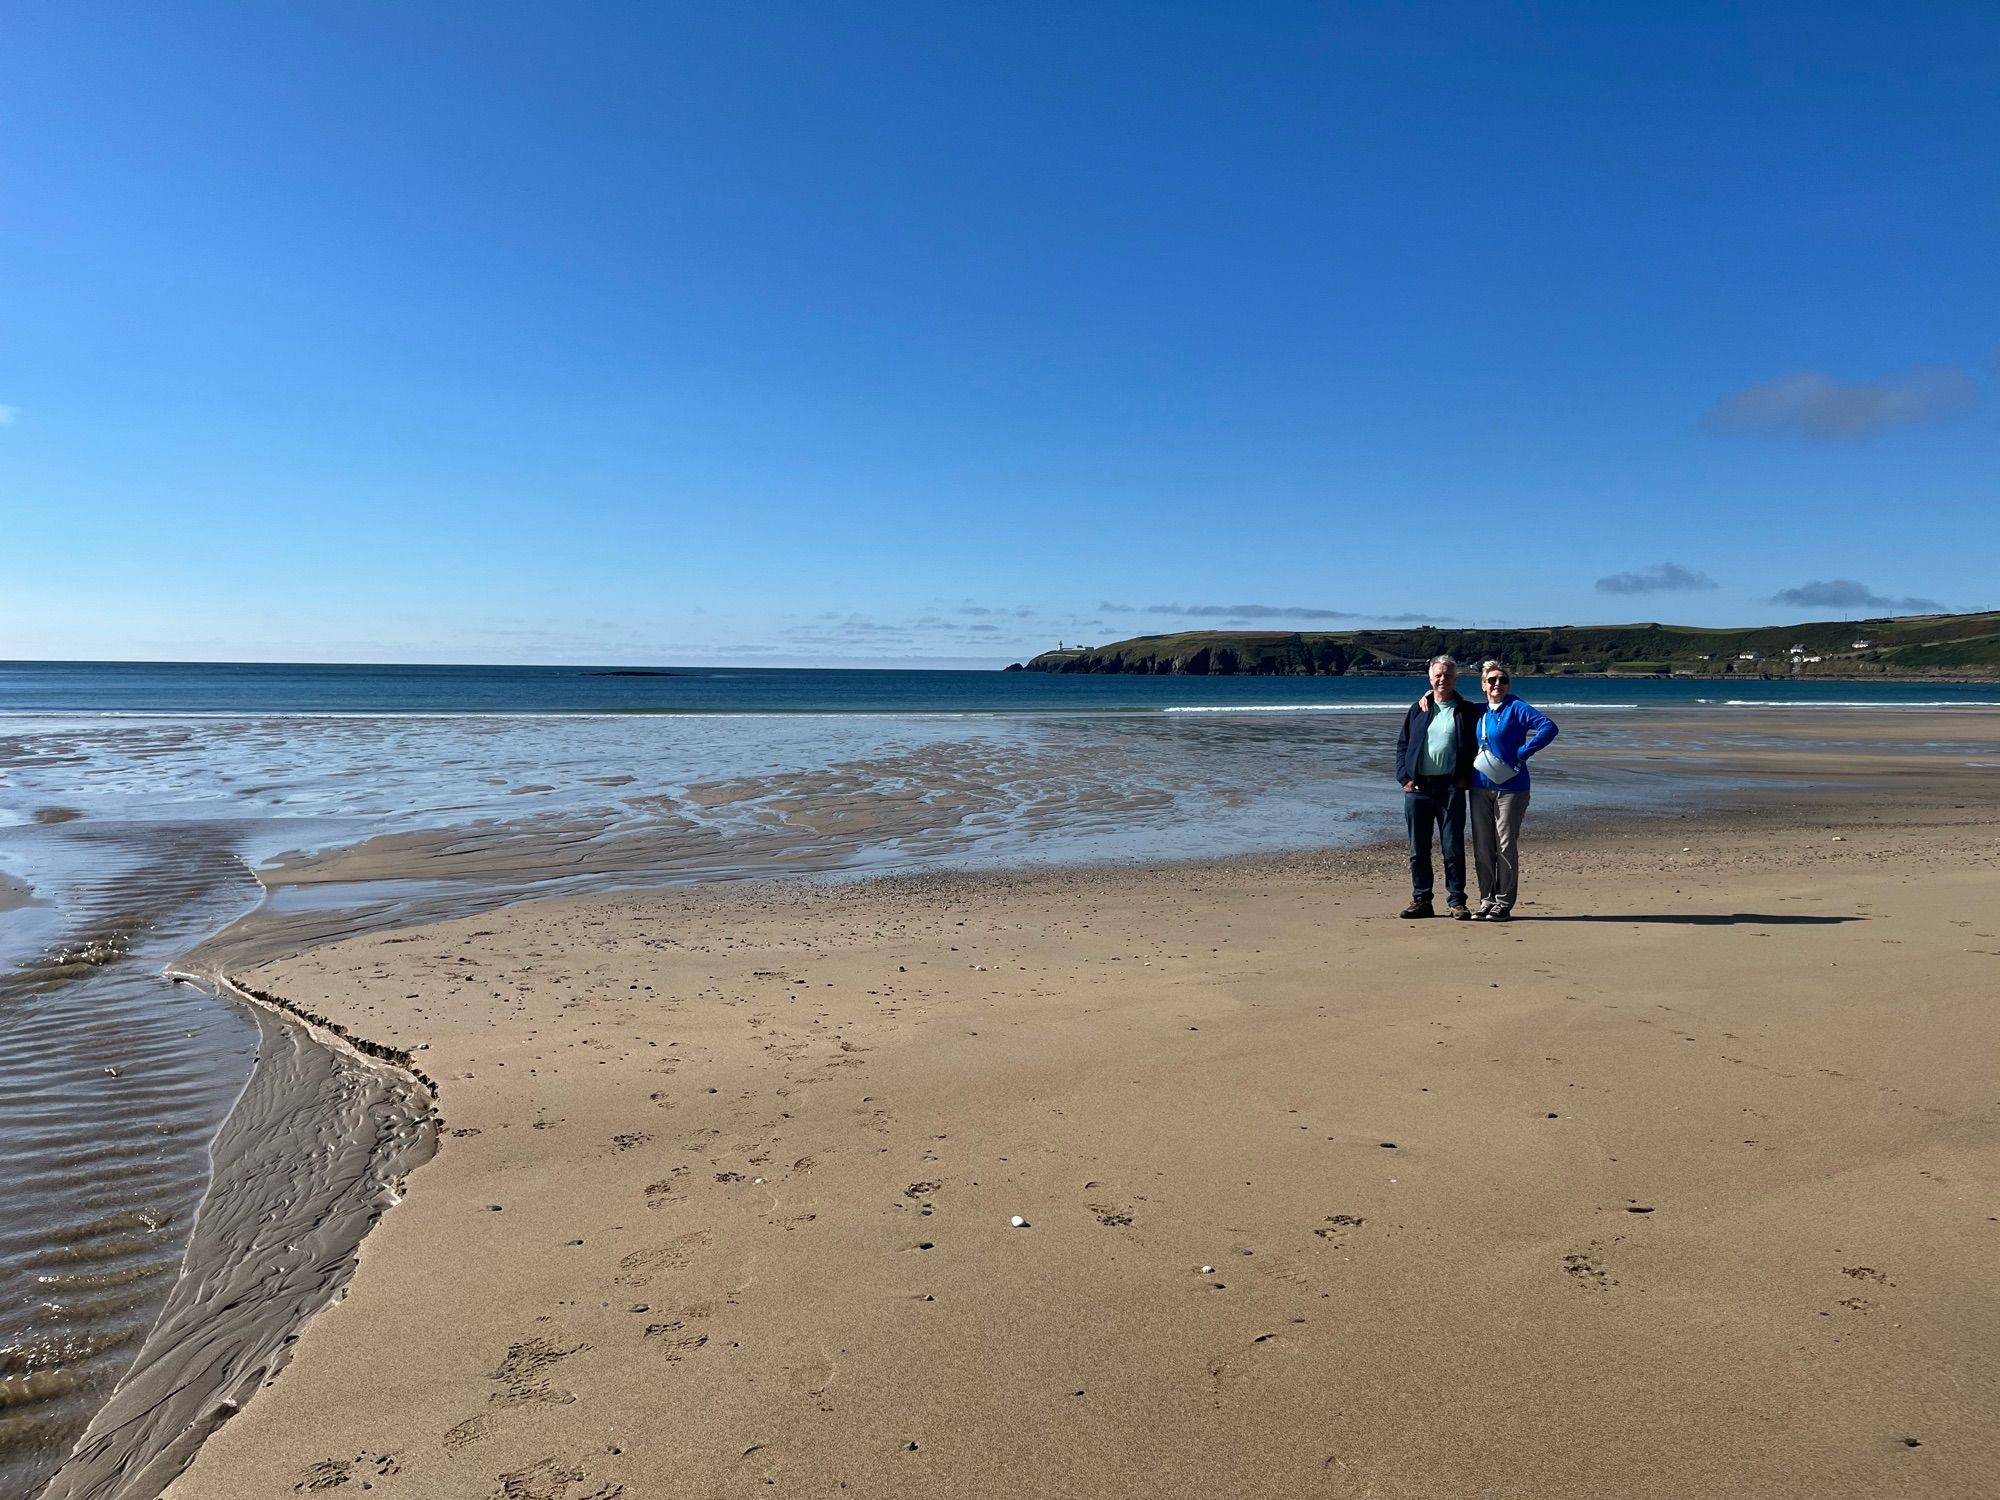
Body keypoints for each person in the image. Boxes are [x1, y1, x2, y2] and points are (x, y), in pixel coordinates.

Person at [1468, 660, 1559, 922]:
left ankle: (1504, 903)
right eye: (1492, 680)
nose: (1498, 684)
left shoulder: (1516, 707)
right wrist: (1428, 695)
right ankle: (1486, 900)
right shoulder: (1480, 711)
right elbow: (1449, 705)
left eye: (1503, 680)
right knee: (1484, 846)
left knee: (1505, 844)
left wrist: (1523, 752)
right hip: (1478, 786)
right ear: (1483, 685)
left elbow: (1548, 727)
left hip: (1512, 788)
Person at [1394, 654, 1478, 919]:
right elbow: (1403, 744)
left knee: (1452, 847)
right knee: (1418, 850)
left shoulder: (1466, 710)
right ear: (1430, 678)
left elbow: (1477, 746)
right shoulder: (1419, 708)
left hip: (1451, 788)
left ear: (1455, 678)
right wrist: (1404, 778)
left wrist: (1466, 775)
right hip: (1418, 789)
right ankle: (1422, 900)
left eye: (1448, 675)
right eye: (1438, 675)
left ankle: (1456, 901)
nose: (1443, 679)